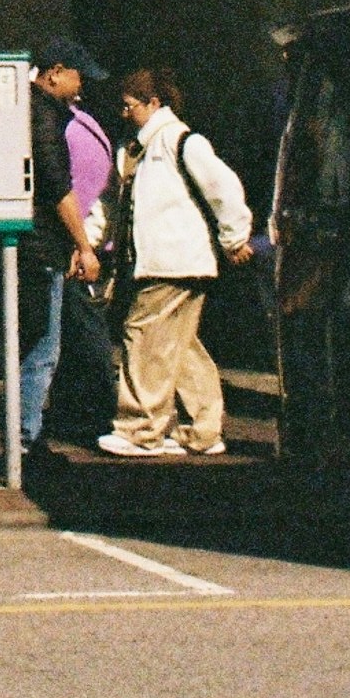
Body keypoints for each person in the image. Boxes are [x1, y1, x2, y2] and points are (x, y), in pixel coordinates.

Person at [101, 65, 253, 459]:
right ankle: (204, 432)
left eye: (129, 105)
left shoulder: (180, 141)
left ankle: (140, 429)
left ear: (154, 103)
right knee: (181, 347)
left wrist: (235, 237)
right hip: (162, 261)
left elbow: (224, 188)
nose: (123, 112)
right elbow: (114, 206)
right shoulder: (133, 149)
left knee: (143, 335)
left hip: (172, 260)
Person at [17, 45, 107, 451]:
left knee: (36, 342)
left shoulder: (30, 109)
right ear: (54, 73)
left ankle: (25, 433)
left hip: (32, 241)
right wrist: (83, 245)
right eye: (77, 76)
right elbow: (57, 185)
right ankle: (26, 438)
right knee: (42, 348)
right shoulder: (44, 116)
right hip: (41, 245)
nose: (80, 86)